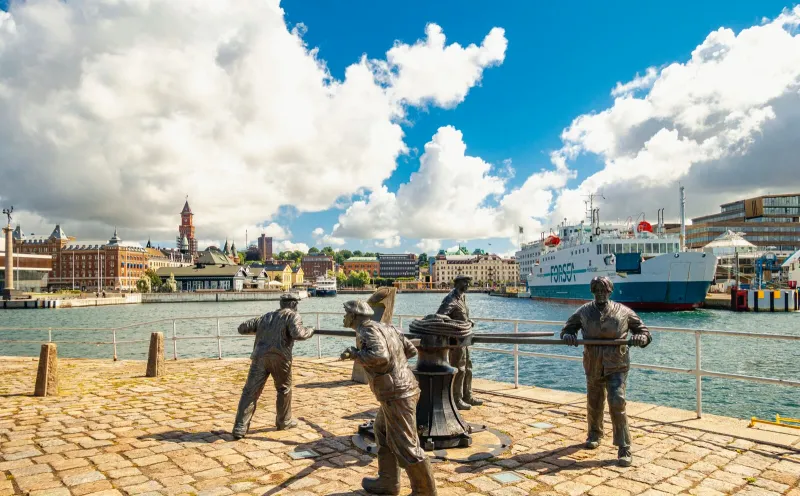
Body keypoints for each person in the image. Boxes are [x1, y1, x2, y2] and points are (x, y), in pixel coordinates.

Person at [340, 300, 436, 496]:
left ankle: (425, 491)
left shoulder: (366, 331)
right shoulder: (388, 327)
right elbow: (410, 350)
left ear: (354, 316)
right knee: (381, 430)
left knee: (407, 445)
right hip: (403, 388)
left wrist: (356, 354)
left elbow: (381, 357)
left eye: (346, 313)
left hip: (397, 394)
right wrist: (396, 366)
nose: (343, 316)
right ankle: (388, 481)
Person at [560, 276, 651, 467]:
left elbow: (644, 332)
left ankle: (624, 446)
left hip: (616, 364)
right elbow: (568, 329)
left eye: (604, 290)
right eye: (596, 290)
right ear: (592, 291)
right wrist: (568, 335)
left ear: (610, 291)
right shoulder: (584, 311)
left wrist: (641, 338)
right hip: (593, 362)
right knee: (594, 400)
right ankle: (594, 433)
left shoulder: (624, 312)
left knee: (617, 401)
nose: (600, 293)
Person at [232, 293, 314, 439]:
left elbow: (242, 328)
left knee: (250, 392)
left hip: (260, 357)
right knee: (284, 389)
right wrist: (310, 330)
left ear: (281, 303)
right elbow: (298, 333)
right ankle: (284, 421)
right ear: (294, 304)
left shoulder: (265, 317)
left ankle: (240, 427)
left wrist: (263, 328)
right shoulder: (293, 315)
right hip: (280, 358)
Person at [437, 274, 482, 410]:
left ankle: (467, 395)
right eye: (465, 283)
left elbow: (461, 314)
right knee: (459, 369)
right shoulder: (450, 299)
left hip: (465, 339)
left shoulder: (462, 297)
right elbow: (440, 315)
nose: (468, 285)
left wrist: (468, 321)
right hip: (456, 339)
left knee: (468, 367)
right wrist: (457, 324)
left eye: (468, 282)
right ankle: (456, 399)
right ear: (458, 283)